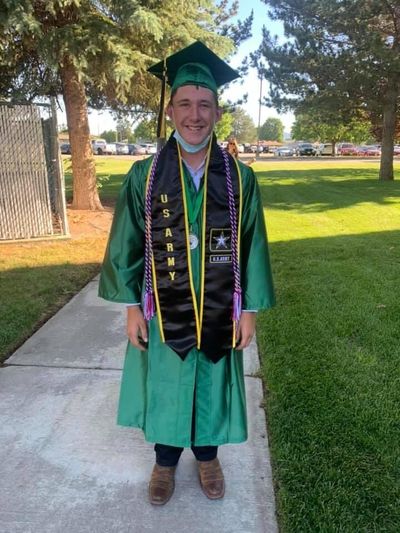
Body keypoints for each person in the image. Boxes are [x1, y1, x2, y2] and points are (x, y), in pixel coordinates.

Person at [98, 41, 275, 506]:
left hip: (219, 309)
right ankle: (164, 461)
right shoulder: (145, 175)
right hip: (164, 311)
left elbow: (253, 244)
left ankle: (209, 456)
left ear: (218, 112)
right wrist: (132, 309)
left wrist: (250, 310)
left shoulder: (239, 178)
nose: (194, 115)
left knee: (212, 378)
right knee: (169, 382)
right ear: (171, 110)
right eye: (184, 104)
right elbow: (127, 245)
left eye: (204, 105)